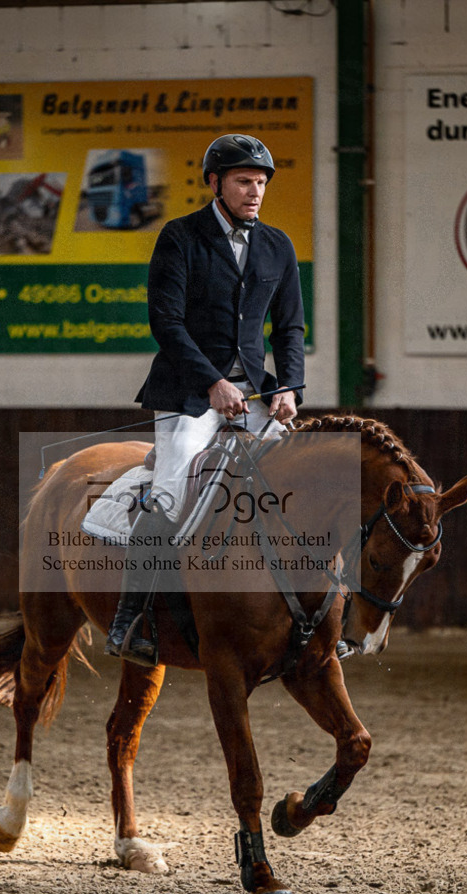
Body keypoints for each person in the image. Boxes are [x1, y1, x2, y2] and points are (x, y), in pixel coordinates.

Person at [105, 133, 306, 664]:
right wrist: (213, 382)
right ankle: (133, 620)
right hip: (189, 392)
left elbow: (289, 328)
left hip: (255, 392)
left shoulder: (277, 246)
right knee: (172, 490)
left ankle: (311, 612)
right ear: (215, 183)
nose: (254, 191)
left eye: (261, 182)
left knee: (300, 473)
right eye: (244, 181)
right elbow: (165, 322)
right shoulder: (180, 237)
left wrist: (288, 386)